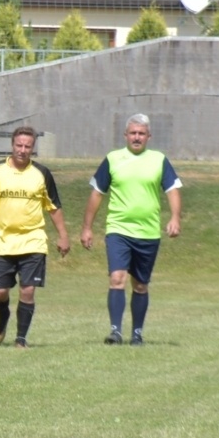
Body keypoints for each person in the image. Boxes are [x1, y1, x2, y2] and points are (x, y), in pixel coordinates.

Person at [79, 113, 182, 345]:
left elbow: (173, 190)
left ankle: (137, 334)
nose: (137, 137)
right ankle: (115, 331)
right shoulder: (113, 159)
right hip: (118, 229)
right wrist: (87, 228)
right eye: (133, 133)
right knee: (117, 278)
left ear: (149, 136)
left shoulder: (159, 160)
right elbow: (97, 194)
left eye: (141, 134)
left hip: (148, 232)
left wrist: (175, 217)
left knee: (140, 285)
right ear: (125, 135)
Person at [0, 125, 70, 348]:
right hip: (1, 241)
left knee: (28, 290)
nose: (23, 150)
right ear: (12, 145)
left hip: (32, 241)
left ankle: (21, 339)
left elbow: (53, 206)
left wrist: (63, 235)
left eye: (27, 146)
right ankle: (3, 316)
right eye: (19, 145)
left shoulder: (41, 173)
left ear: (33, 148)